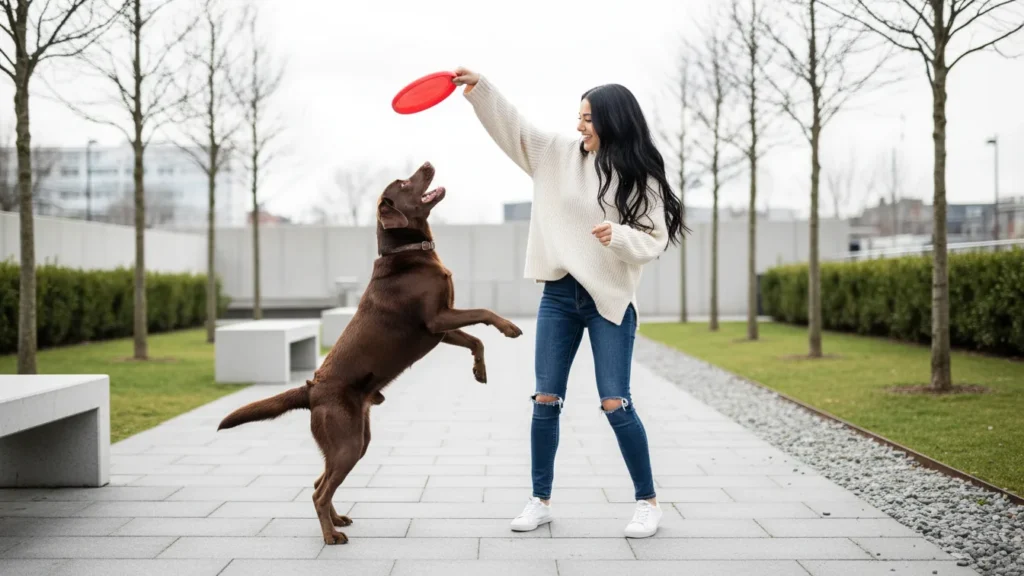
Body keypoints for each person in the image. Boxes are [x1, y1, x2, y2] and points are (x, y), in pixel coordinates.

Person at [453, 67, 685, 539]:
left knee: (615, 401)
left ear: (614, 123)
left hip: (610, 299)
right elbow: (514, 127)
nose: (580, 126)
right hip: (559, 294)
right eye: (578, 116)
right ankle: (539, 500)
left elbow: (655, 239)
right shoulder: (556, 154)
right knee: (545, 399)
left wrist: (619, 235)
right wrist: (481, 90)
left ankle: (648, 503)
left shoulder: (638, 175)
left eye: (589, 119)